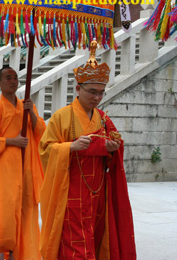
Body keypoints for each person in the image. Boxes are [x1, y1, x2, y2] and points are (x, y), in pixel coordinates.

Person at [39, 41, 136, 260]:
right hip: (71, 189)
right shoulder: (62, 116)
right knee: (76, 242)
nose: (97, 97)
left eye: (101, 93)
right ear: (78, 89)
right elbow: (45, 149)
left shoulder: (103, 118)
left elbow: (116, 142)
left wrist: (112, 149)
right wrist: (70, 147)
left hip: (98, 191)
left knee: (94, 235)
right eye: (92, 91)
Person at [0, 67, 46, 260]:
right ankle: (0, 251)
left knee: (25, 208)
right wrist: (10, 141)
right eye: (8, 78)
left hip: (27, 165)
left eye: (15, 78)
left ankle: (20, 251)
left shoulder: (26, 105)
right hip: (5, 166)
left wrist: (31, 112)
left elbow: (40, 131)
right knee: (5, 210)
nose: (13, 81)